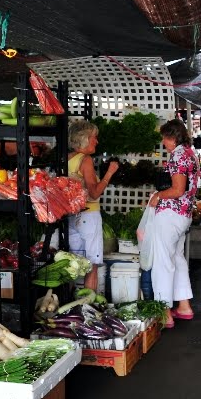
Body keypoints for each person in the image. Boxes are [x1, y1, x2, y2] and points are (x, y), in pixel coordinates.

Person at [148, 119, 200, 328]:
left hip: (170, 215)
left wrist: (158, 196)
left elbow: (177, 190)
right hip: (184, 215)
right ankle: (184, 306)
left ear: (172, 136)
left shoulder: (178, 156)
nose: (163, 141)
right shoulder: (190, 153)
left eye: (165, 137)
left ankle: (164, 313)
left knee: (162, 262)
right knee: (177, 259)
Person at [67, 121, 118, 291]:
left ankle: (74, 302)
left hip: (71, 216)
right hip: (89, 216)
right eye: (94, 138)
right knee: (92, 263)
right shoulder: (85, 160)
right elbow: (94, 193)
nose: (97, 141)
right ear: (85, 139)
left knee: (75, 263)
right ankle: (88, 305)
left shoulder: (69, 158)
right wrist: (109, 173)